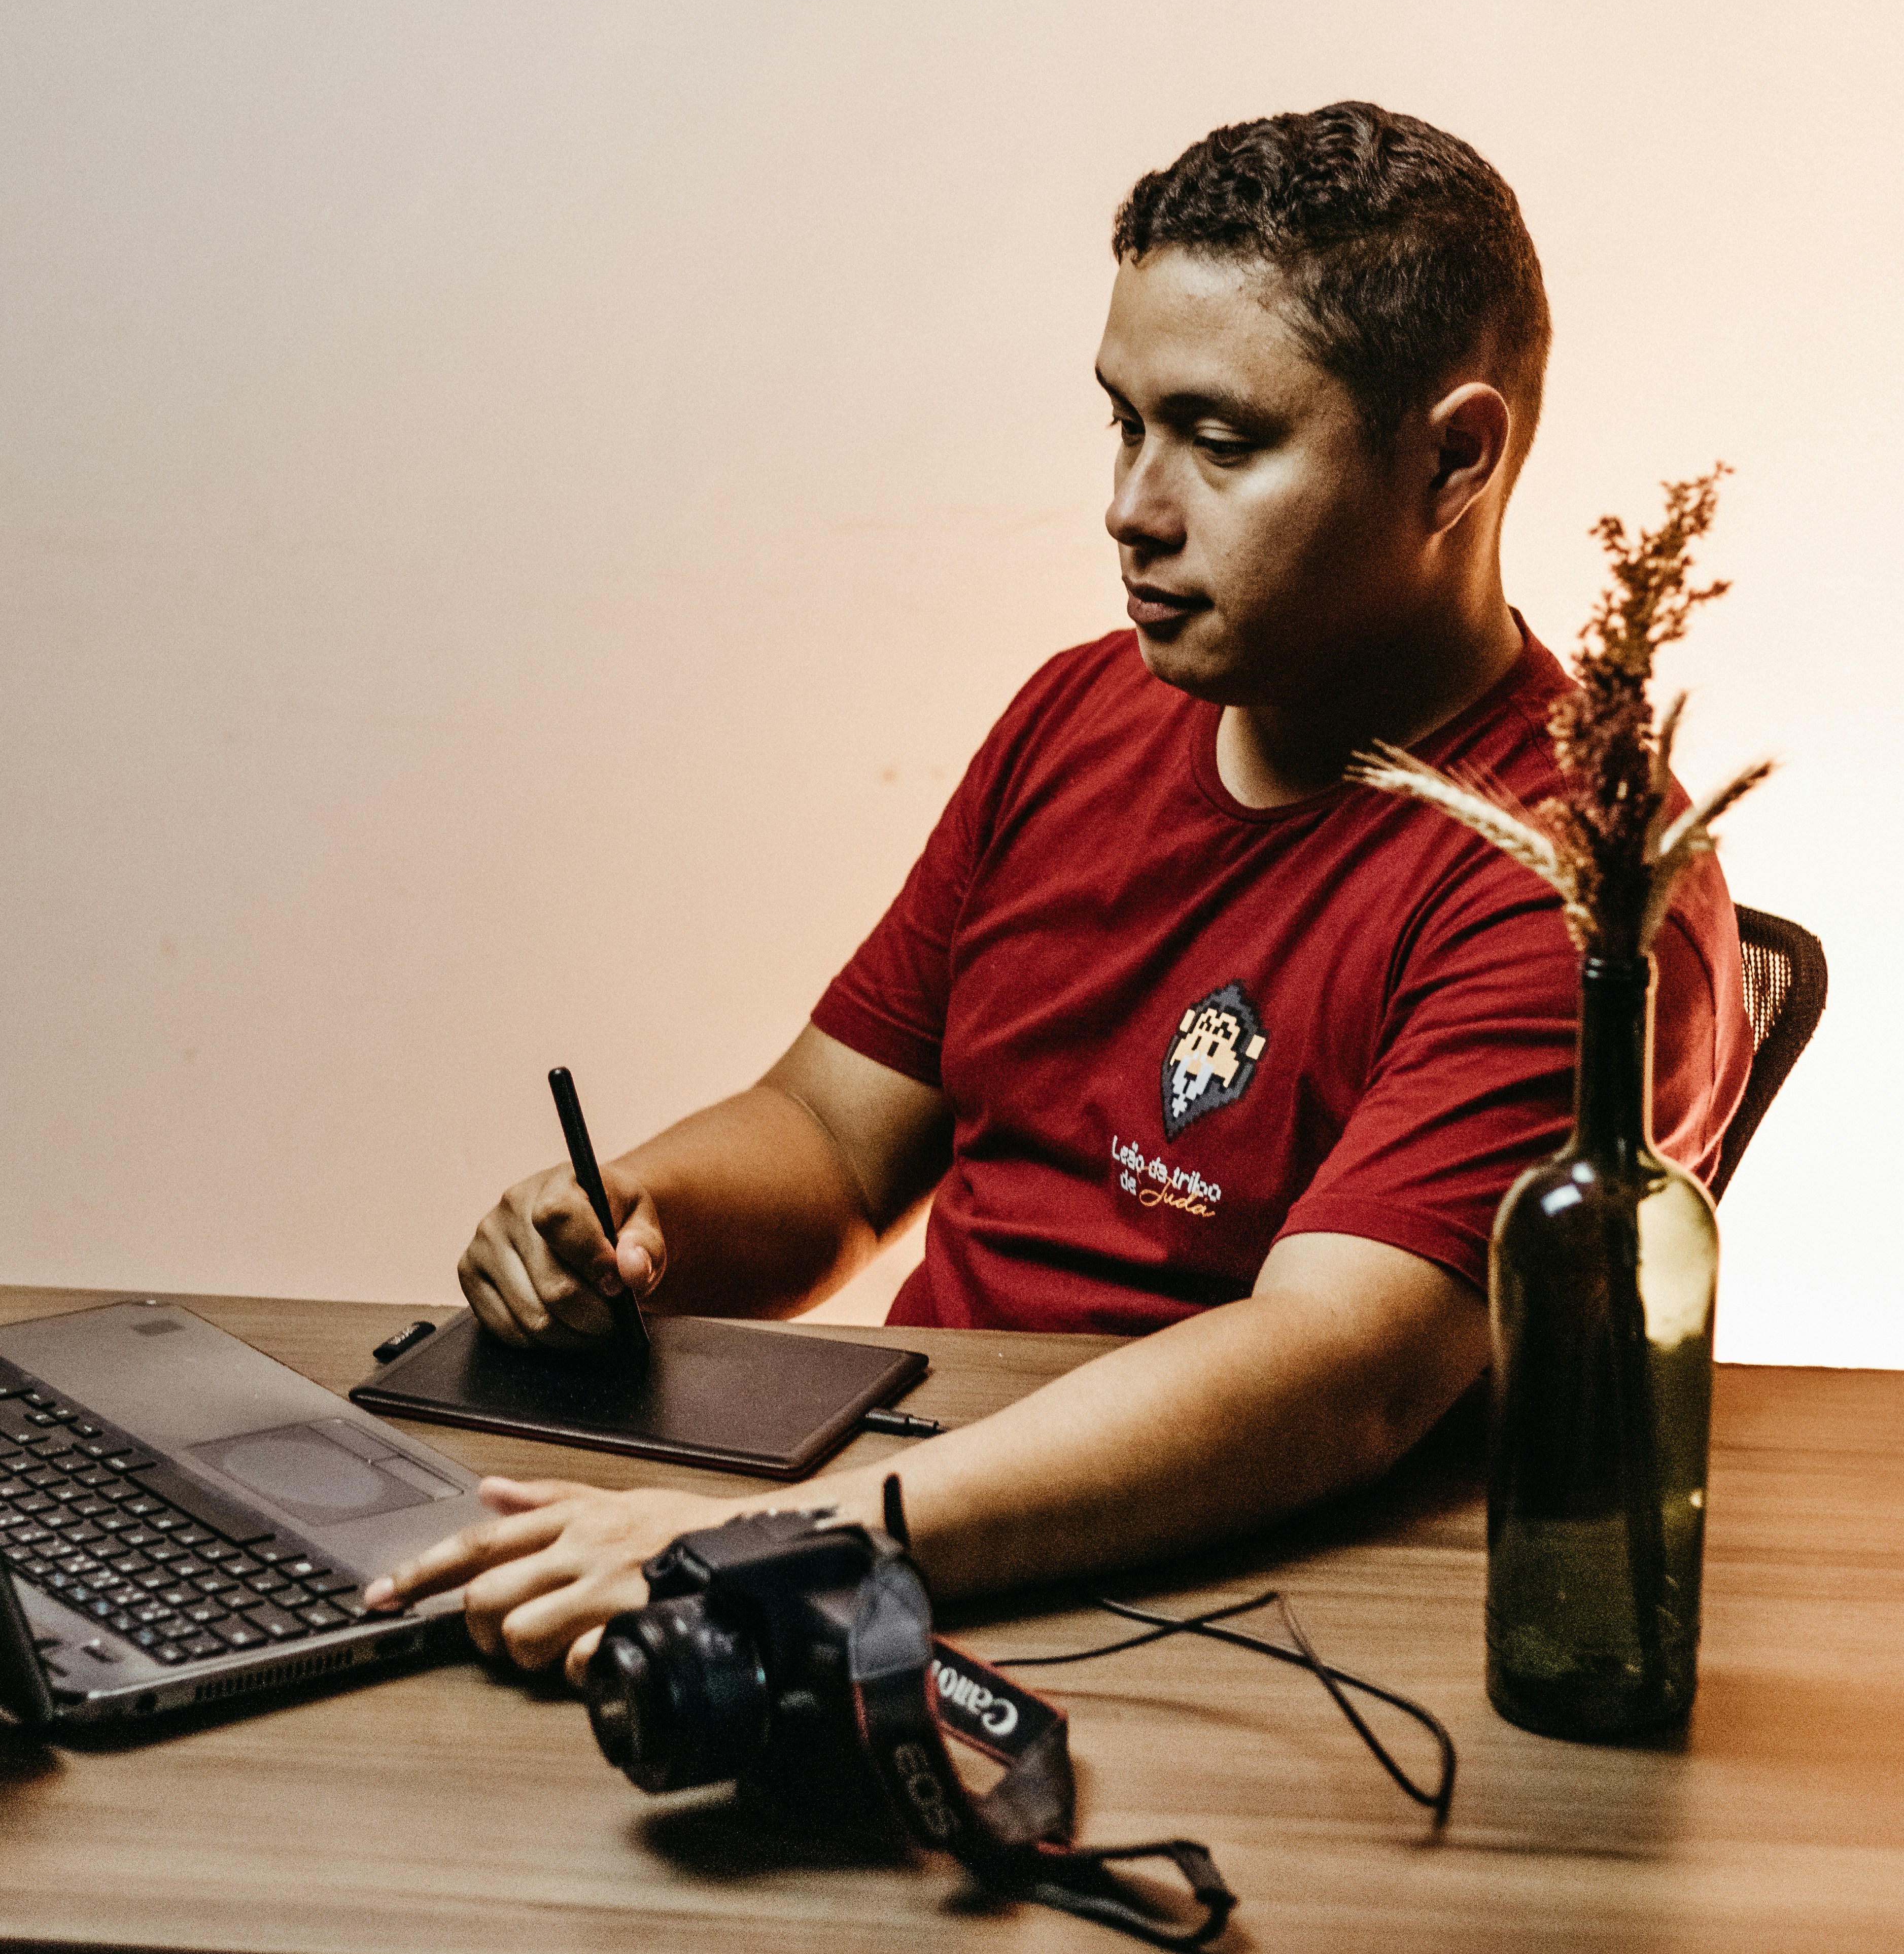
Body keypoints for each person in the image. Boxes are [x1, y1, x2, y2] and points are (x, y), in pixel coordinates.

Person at [366, 102, 1753, 1676]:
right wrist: (635, 1222)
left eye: (1220, 441)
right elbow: (829, 1141)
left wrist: (784, 1552)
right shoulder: (1076, 712)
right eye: (1123, 422)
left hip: (1210, 1610)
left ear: (1453, 458)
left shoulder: (1572, 887)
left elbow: (1332, 1376)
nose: (1132, 507)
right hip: (898, 1514)